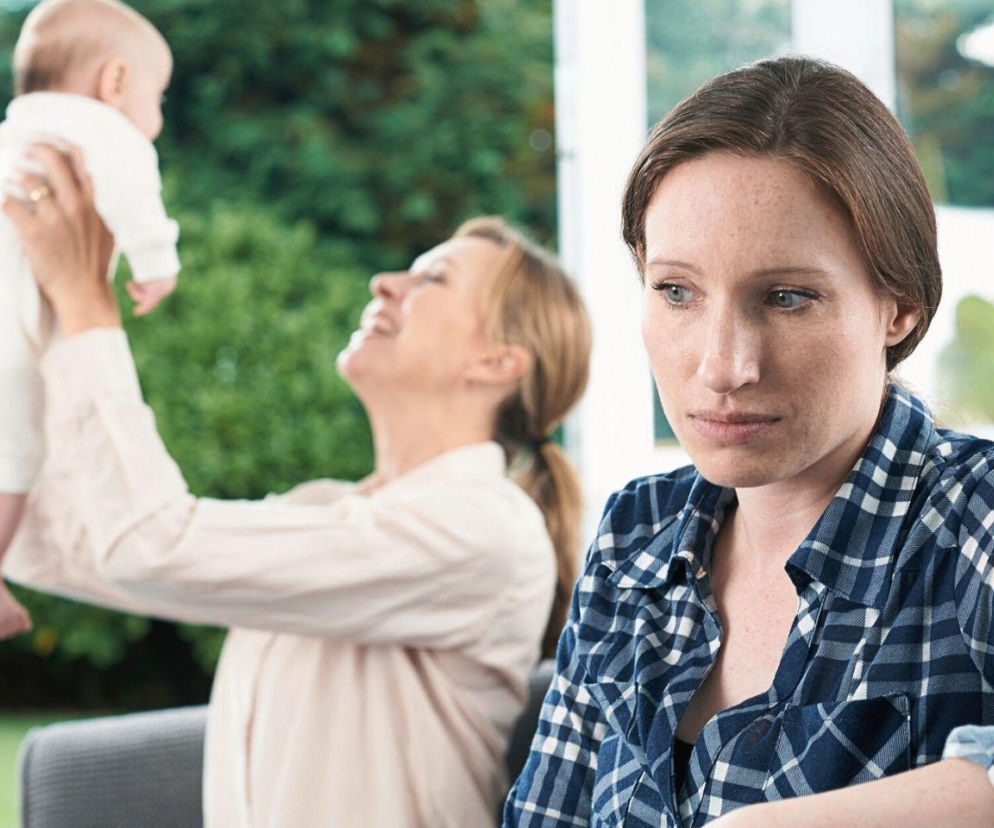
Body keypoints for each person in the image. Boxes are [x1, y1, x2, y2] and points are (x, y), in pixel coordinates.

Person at [1, 142, 591, 825]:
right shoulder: (323, 509)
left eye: (431, 280)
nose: (384, 283)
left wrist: (83, 302)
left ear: (497, 361)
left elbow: (147, 543)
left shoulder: (488, 529)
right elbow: (81, 542)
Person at [505, 56, 994, 826]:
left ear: (897, 307)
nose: (723, 366)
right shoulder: (636, 535)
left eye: (788, 297)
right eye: (676, 292)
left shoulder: (978, 518)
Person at [0, 0, 178, 638]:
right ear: (117, 82)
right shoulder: (106, 131)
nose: (155, 117)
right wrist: (155, 260)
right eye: (158, 96)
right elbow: (133, 191)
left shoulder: (16, 130)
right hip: (19, 315)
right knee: (16, 443)